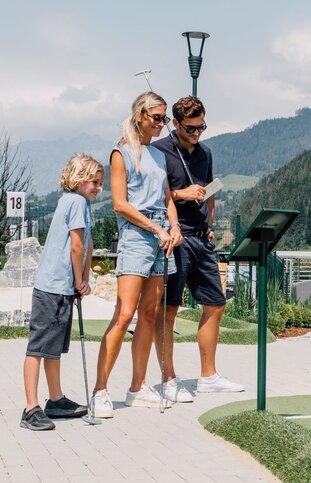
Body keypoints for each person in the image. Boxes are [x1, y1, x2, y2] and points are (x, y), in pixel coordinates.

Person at [89, 91, 184, 418]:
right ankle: (100, 390)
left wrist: (174, 226)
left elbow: (168, 199)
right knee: (125, 313)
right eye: (156, 118)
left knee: (148, 313)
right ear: (140, 116)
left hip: (161, 237)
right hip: (136, 235)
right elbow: (120, 204)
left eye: (164, 118)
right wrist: (156, 229)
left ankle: (137, 386)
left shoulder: (158, 156)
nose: (162, 123)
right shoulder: (122, 153)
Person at [152, 96, 244, 395]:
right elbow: (156, 195)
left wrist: (210, 226)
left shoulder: (205, 152)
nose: (196, 133)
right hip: (173, 237)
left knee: (215, 304)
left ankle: (209, 376)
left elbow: (210, 191)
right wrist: (181, 194)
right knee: (169, 309)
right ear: (175, 123)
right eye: (190, 128)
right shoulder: (158, 151)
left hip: (201, 238)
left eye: (201, 126)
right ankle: (168, 378)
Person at [21, 154, 104, 430]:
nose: (98, 188)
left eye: (100, 184)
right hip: (52, 286)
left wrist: (84, 279)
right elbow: (76, 246)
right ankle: (30, 408)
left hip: (61, 287)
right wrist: (80, 279)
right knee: (38, 347)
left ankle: (55, 400)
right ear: (80, 179)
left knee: (53, 348)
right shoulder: (77, 201)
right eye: (94, 182)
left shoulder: (79, 203)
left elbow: (88, 245)